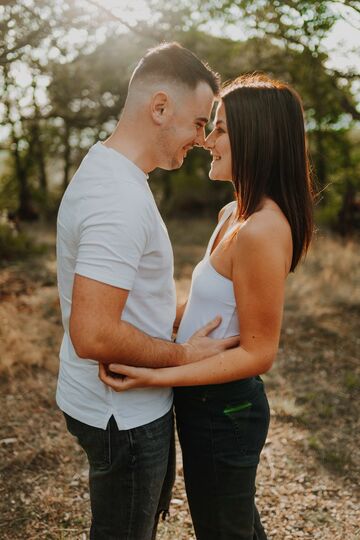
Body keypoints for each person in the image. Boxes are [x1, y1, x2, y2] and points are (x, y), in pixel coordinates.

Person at [100, 74, 314, 540]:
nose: (206, 141)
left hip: (226, 410)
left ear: (254, 140)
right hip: (201, 400)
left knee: (224, 531)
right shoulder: (232, 214)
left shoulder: (262, 230)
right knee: (230, 525)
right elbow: (203, 305)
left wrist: (157, 374)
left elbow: (260, 353)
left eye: (218, 130)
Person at [56, 42, 238, 540]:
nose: (203, 140)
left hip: (117, 405)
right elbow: (93, 333)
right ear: (160, 107)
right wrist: (183, 355)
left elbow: (121, 300)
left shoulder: (113, 174)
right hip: (124, 415)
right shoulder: (116, 197)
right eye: (201, 122)